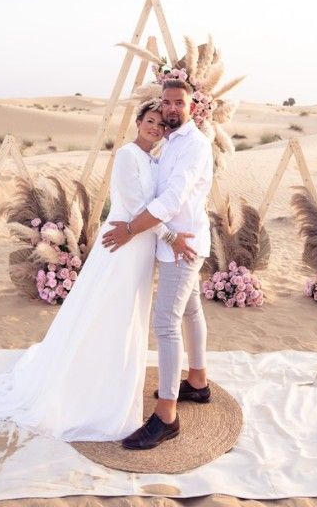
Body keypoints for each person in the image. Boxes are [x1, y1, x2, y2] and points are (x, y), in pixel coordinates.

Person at [0, 99, 191, 445]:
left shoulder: (154, 159)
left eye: (161, 124)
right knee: (110, 312)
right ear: (138, 122)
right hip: (123, 244)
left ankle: (116, 377)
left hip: (139, 247)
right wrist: (170, 237)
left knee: (126, 315)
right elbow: (138, 206)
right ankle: (95, 390)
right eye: (150, 120)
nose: (155, 127)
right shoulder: (127, 156)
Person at [101, 78, 215, 450]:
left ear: (192, 106)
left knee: (165, 323)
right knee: (191, 310)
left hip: (182, 245)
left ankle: (166, 416)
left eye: (179, 102)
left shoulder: (194, 145)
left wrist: (130, 230)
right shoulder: (169, 141)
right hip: (173, 242)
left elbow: (171, 200)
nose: (171, 108)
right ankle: (197, 382)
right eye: (167, 102)